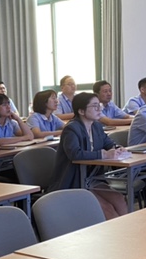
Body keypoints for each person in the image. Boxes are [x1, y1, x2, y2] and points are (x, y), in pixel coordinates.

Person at [51, 92, 128, 220]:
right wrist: (103, 154)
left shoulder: (96, 126)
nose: (99, 109)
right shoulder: (71, 129)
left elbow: (108, 143)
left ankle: (128, 229)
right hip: (75, 180)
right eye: (94, 106)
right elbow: (75, 154)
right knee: (106, 208)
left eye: (99, 105)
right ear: (81, 111)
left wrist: (118, 148)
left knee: (119, 199)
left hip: (93, 178)